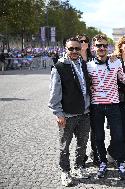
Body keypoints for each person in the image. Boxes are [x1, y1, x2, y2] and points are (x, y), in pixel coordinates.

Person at [48, 37, 91, 187]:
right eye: (71, 48)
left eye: (76, 49)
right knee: (64, 146)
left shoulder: (84, 65)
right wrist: (58, 113)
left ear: (81, 50)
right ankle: (65, 171)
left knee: (82, 143)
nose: (74, 51)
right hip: (67, 114)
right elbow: (54, 94)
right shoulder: (59, 67)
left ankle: (79, 167)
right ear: (65, 49)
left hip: (85, 113)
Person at [86, 34, 125, 180]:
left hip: (113, 104)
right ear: (93, 47)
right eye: (98, 45)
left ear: (108, 47)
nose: (101, 48)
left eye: (104, 45)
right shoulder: (88, 65)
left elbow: (124, 79)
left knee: (118, 136)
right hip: (96, 106)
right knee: (98, 137)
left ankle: (120, 161)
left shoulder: (116, 63)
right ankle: (102, 161)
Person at [76, 34, 100, 167]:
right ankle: (82, 155)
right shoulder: (74, 58)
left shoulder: (94, 57)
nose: (84, 43)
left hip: (94, 98)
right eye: (81, 41)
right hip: (80, 100)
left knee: (95, 130)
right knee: (81, 131)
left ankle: (95, 153)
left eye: (86, 41)